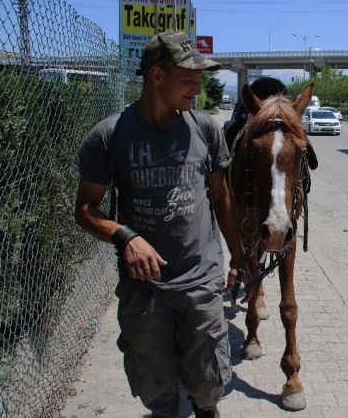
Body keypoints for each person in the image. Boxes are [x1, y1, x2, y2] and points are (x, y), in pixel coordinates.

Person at [74, 31, 243, 418]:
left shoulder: (205, 129)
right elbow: (85, 209)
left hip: (200, 279)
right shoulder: (109, 135)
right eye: (188, 78)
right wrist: (125, 236)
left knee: (209, 381)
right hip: (144, 289)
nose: (197, 86)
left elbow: (221, 198)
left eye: (200, 79)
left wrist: (238, 256)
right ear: (156, 76)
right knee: (157, 385)